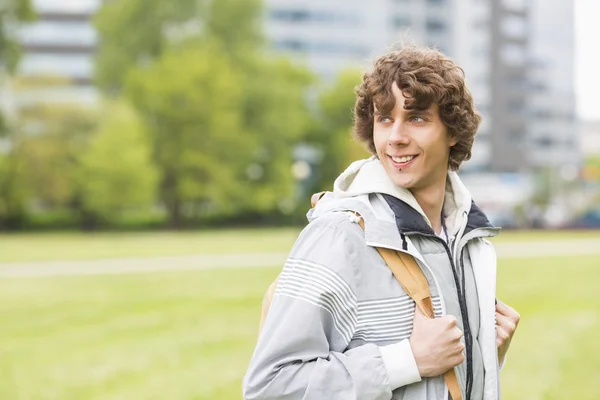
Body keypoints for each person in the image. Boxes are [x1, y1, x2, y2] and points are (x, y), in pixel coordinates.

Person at [243, 44, 520, 400]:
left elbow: (440, 374)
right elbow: (270, 386)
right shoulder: (339, 235)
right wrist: (407, 360)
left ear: (453, 132)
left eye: (417, 118)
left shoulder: (469, 239)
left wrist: (484, 353)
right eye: (385, 118)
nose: (395, 137)